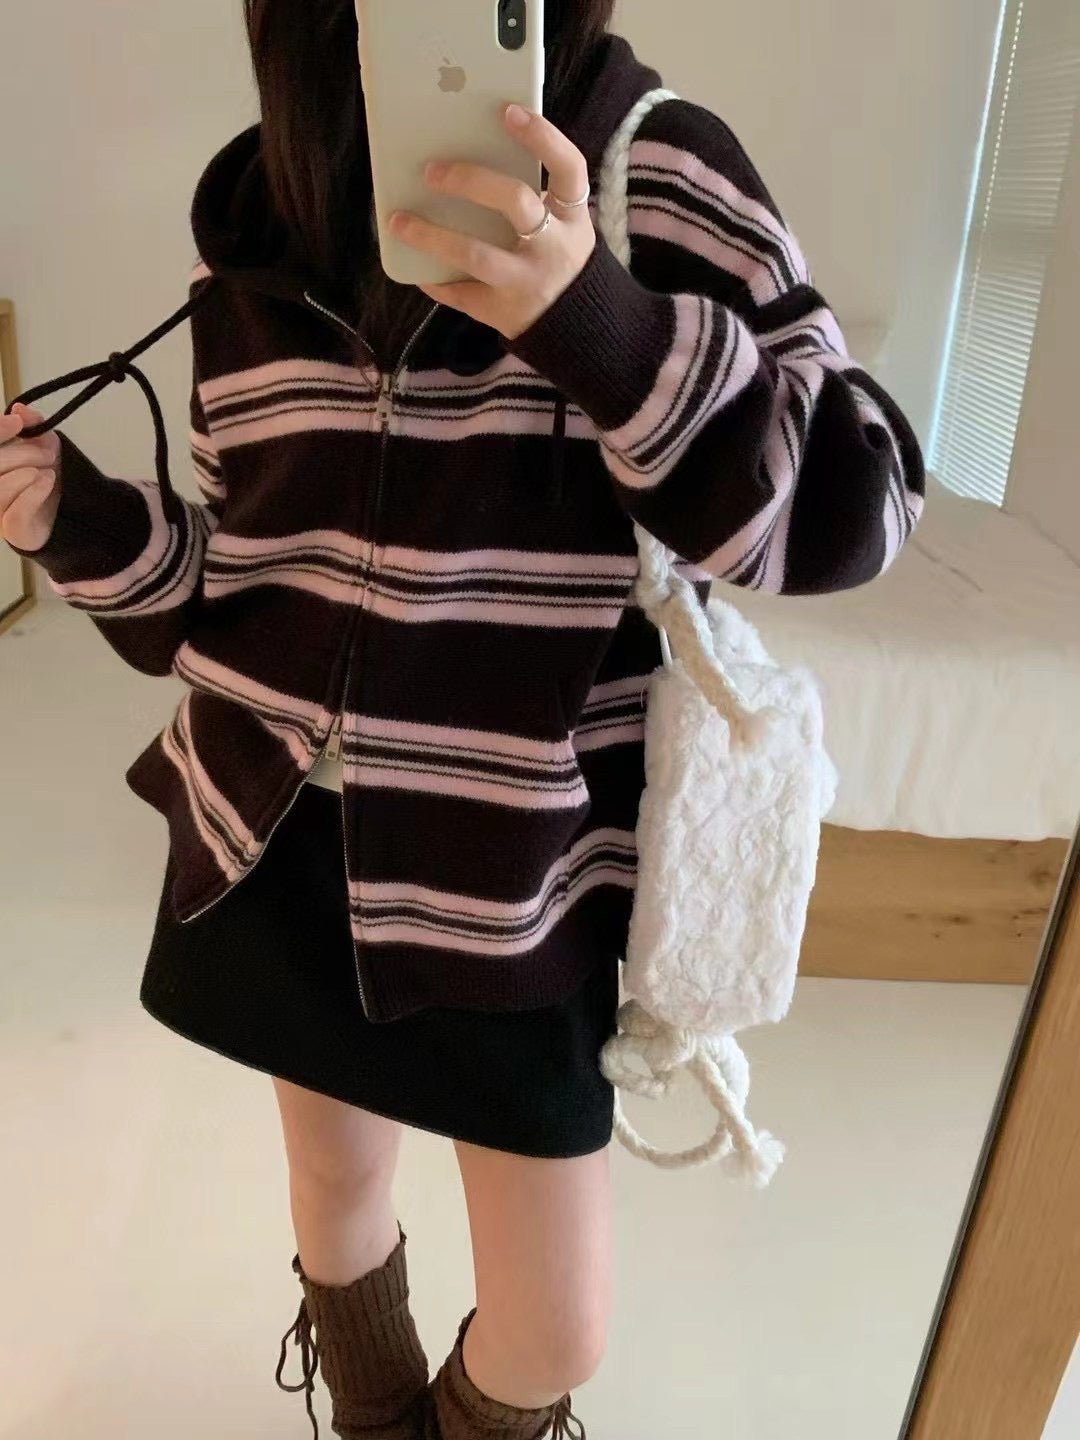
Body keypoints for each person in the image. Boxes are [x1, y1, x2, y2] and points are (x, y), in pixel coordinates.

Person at [0, 3, 925, 1436]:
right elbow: (230, 589)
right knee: (335, 1192)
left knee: (554, 1327)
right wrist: (74, 518)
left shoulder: (655, 169)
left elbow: (859, 504)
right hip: (280, 838)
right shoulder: (258, 221)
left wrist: (598, 322)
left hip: (515, 877)